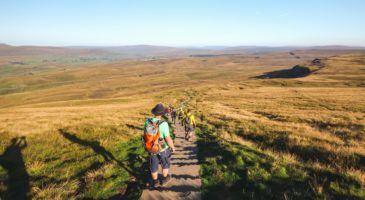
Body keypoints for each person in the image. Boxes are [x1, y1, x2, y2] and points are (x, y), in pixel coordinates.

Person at [143, 103, 176, 188]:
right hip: (162, 148)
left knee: (153, 164)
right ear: (162, 113)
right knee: (165, 163)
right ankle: (164, 179)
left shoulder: (147, 121)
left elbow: (145, 134)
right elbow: (168, 138)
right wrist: (172, 147)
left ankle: (155, 182)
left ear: (154, 112)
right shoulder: (164, 123)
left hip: (152, 148)